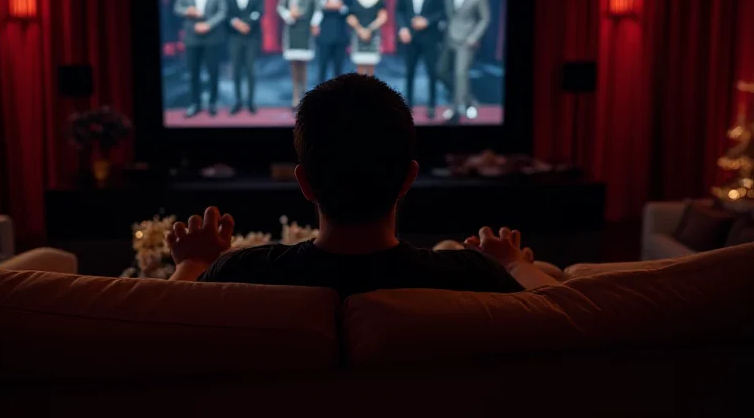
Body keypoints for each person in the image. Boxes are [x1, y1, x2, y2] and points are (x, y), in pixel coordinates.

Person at [165, 74, 562, 297]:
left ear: (304, 183)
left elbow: (165, 323)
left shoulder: (240, 274)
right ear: (409, 178)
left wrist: (193, 263)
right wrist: (513, 264)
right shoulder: (472, 277)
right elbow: (564, 309)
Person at [173, 0, 227, 118]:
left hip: (212, 35)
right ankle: (194, 103)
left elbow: (222, 12)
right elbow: (177, 8)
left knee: (213, 71)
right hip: (192, 36)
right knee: (193, 72)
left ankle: (213, 103)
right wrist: (187, 11)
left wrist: (208, 25)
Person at [395, 0, 445, 120]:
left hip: (430, 36)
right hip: (410, 36)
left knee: (432, 72)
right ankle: (408, 104)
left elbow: (443, 11)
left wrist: (428, 21)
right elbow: (399, 10)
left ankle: (431, 104)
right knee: (409, 72)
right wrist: (402, 28)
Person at [439, 0, 490, 123]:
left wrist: (474, 37)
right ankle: (470, 101)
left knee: (461, 74)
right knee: (441, 71)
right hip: (449, 39)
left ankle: (456, 109)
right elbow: (448, 16)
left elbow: (484, 18)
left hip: (467, 41)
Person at [277, 0, 322, 109]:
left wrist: (315, 23)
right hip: (292, 28)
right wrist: (289, 15)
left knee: (304, 65)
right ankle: (295, 96)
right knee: (294, 65)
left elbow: (317, 8)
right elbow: (280, 7)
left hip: (306, 28)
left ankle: (304, 96)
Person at [225, 0, 264, 115]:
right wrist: (236, 23)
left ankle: (251, 101)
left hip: (252, 36)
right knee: (236, 70)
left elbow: (259, 12)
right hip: (234, 36)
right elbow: (226, 13)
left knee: (250, 69)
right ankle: (237, 101)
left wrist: (247, 24)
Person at [316, 0, 354, 83]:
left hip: (341, 33)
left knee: (339, 71)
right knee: (321, 69)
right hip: (323, 33)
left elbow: (351, 9)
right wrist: (324, 5)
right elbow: (313, 8)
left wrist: (340, 7)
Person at [346, 0, 388, 77]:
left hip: (373, 34)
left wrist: (369, 30)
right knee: (359, 68)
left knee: (371, 68)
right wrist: (360, 30)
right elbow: (350, 17)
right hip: (358, 34)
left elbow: (383, 16)